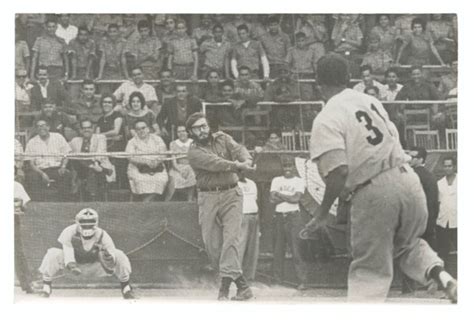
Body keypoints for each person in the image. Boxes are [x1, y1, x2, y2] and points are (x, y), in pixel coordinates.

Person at [302, 53, 457, 302]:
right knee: (407, 244)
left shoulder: (327, 116)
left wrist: (321, 214)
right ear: (349, 78)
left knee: (369, 269)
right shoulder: (369, 100)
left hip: (374, 188)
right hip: (408, 179)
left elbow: (338, 171)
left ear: (318, 83)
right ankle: (442, 276)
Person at [186, 112, 255, 301]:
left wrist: (247, 160)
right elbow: (216, 164)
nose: (202, 130)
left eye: (204, 126)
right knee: (213, 246)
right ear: (190, 132)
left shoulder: (223, 138)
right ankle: (242, 283)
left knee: (231, 240)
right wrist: (239, 166)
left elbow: (240, 149)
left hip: (232, 193)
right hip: (208, 196)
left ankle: (225, 289)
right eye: (197, 128)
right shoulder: (193, 152)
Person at [38, 208, 135, 299]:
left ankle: (126, 288)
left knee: (120, 255)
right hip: (73, 267)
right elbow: (68, 252)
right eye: (84, 222)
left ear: (96, 222)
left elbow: (112, 253)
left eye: (90, 222)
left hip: (96, 266)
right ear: (77, 221)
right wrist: (72, 266)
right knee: (53, 253)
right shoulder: (69, 231)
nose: (87, 225)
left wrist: (108, 259)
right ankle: (46, 287)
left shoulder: (102, 234)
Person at [270, 157, 309, 290]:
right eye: (285, 166)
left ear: (294, 167)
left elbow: (296, 199)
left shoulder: (299, 181)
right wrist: (289, 197)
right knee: (278, 250)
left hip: (294, 217)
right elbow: (272, 200)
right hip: (279, 217)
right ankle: (277, 280)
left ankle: (302, 281)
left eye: (290, 166)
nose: (287, 169)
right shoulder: (276, 180)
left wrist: (280, 195)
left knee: (297, 250)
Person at [25, 119, 73, 202]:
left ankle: (62, 203)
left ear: (48, 127)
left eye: (43, 125)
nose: (41, 128)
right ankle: (39, 204)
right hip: (39, 170)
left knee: (66, 174)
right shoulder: (32, 142)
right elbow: (31, 163)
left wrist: (63, 166)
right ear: (36, 129)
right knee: (32, 177)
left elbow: (66, 154)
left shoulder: (58, 137)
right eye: (38, 126)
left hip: (56, 168)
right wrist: (42, 173)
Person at [69, 119, 115, 201]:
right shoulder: (75, 141)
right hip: (84, 169)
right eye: (84, 128)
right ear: (80, 130)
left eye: (89, 127)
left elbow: (100, 154)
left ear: (93, 128)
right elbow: (67, 152)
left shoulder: (100, 137)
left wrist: (94, 165)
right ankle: (93, 197)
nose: (86, 130)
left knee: (93, 173)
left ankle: (92, 197)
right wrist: (92, 166)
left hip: (99, 165)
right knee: (76, 160)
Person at [125, 120, 169, 202]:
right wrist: (145, 162)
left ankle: (147, 200)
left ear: (148, 129)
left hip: (157, 166)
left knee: (161, 179)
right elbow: (130, 156)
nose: (141, 131)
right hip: (138, 167)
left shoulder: (157, 139)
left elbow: (164, 152)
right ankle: (146, 201)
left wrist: (157, 161)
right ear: (135, 131)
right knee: (140, 180)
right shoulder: (132, 142)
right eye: (138, 129)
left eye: (143, 128)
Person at [408, 147, 439, 249]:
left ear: (421, 159)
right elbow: (434, 203)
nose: (409, 159)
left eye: (413, 157)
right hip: (427, 222)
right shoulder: (430, 176)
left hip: (414, 223)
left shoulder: (411, 176)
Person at [237, 171, 260, 283]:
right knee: (239, 248)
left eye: (243, 170)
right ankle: (236, 277)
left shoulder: (252, 183)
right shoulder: (233, 184)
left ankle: (249, 278)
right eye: (239, 170)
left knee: (253, 248)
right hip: (241, 217)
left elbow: (255, 200)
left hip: (254, 216)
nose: (241, 172)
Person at [14, 173, 34, 293]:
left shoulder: (16, 186)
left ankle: (27, 284)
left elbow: (24, 207)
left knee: (17, 252)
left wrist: (18, 205)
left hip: (12, 220)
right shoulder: (16, 185)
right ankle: (27, 284)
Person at [168, 124, 196, 201]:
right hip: (177, 167)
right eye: (179, 132)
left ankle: (189, 200)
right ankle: (168, 201)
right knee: (174, 178)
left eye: (183, 131)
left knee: (192, 175)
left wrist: (188, 169)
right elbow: (173, 162)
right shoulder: (173, 144)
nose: (181, 133)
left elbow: (195, 160)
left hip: (191, 166)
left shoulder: (193, 143)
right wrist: (180, 170)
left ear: (187, 132)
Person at [436, 157, 457, 261]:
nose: (447, 168)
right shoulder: (440, 183)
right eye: (445, 166)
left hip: (457, 221)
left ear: (454, 167)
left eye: (450, 166)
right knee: (443, 250)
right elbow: (439, 201)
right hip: (443, 221)